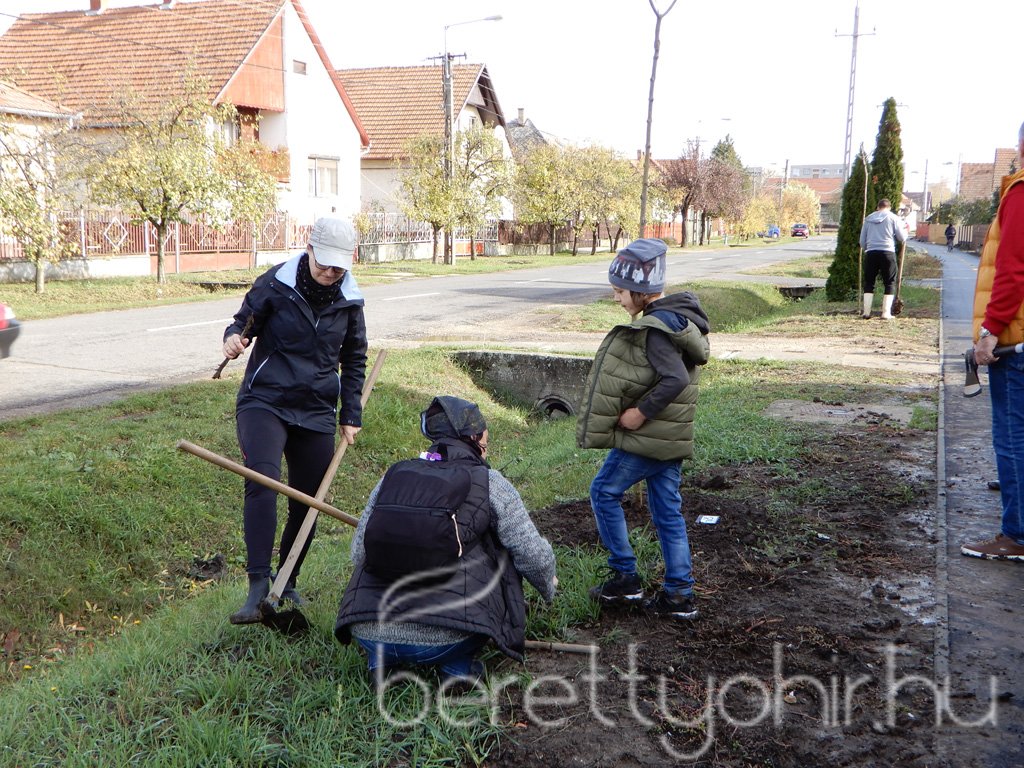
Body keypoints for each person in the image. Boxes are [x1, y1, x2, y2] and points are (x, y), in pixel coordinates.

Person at [335, 396, 557, 686]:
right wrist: (548, 585)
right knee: (495, 547)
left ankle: (382, 663)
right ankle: (456, 669)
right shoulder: (491, 483)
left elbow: (358, 552)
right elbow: (531, 553)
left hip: (368, 628)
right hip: (449, 634)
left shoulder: (394, 476)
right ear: (475, 438)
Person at [223, 217, 368, 623]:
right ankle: (256, 589)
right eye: (324, 264)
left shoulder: (350, 299)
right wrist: (233, 339)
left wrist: (350, 414)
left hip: (316, 408)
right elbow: (241, 323)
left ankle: (287, 582)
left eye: (338, 266)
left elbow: (354, 358)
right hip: (264, 399)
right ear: (309, 249)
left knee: (308, 501)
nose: (330, 272)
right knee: (262, 481)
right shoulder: (275, 284)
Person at [576, 239, 711, 620]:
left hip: (647, 439)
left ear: (639, 291)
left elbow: (673, 380)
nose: (617, 299)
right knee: (668, 512)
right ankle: (679, 595)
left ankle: (625, 578)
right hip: (669, 438)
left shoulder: (655, 329)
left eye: (619, 292)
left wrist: (638, 413)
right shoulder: (678, 319)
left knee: (603, 491)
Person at [961, 120, 1024, 563]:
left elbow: (1014, 272)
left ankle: (1016, 535)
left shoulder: (1021, 193)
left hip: (1016, 342)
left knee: (1012, 438)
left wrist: (990, 333)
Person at [859, 198, 908, 319]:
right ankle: (886, 313)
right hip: (887, 253)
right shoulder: (893, 218)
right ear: (889, 207)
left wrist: (868, 248)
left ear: (877, 207)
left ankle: (866, 312)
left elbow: (862, 241)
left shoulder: (868, 219)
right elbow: (901, 238)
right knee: (889, 282)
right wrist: (906, 231)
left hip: (871, 253)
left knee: (869, 282)